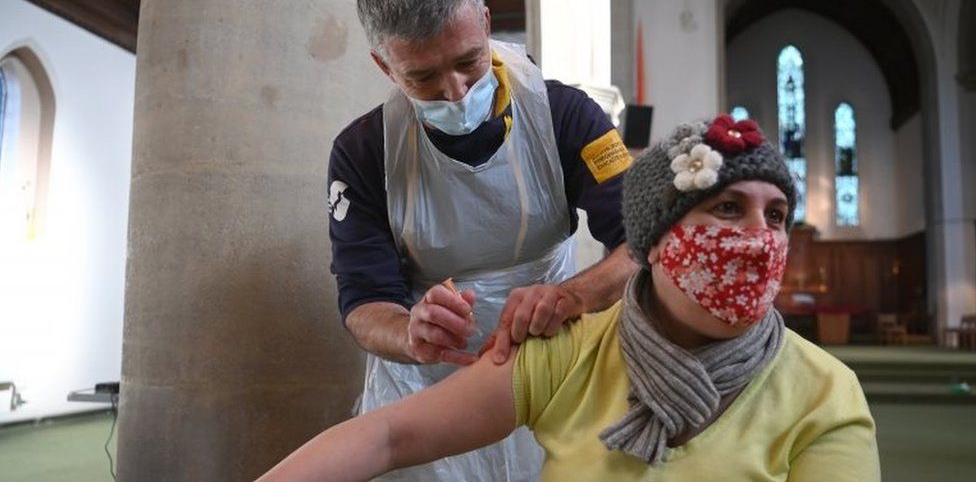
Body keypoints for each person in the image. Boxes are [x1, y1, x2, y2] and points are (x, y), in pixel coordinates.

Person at [260, 115, 880, 481]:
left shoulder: (825, 392)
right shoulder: (570, 355)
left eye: (776, 216)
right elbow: (388, 436)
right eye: (726, 208)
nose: (759, 238)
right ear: (656, 240)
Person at [328, 0, 635, 480]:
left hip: (546, 359)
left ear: (487, 23)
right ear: (384, 65)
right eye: (422, 77)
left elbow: (642, 243)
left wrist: (571, 296)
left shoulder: (567, 116)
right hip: (424, 383)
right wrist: (407, 332)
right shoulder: (362, 152)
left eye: (468, 60)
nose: (455, 90)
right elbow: (363, 302)